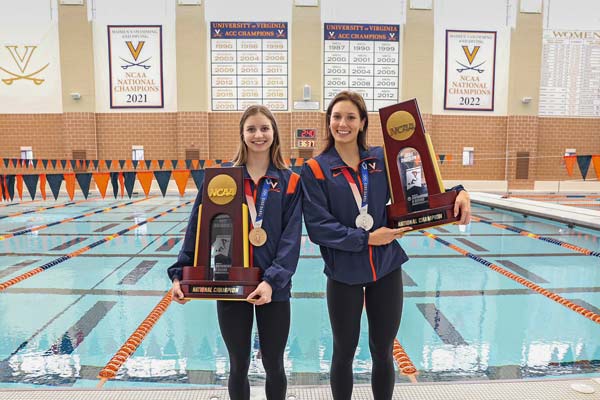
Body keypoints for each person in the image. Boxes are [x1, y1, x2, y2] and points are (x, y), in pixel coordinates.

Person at [300, 91, 471, 400]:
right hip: (343, 273)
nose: (343, 123)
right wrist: (366, 238)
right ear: (328, 122)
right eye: (337, 117)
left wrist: (459, 192)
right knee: (344, 351)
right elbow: (317, 227)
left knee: (382, 349)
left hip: (386, 267)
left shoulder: (380, 160)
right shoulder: (315, 169)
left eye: (351, 117)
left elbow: (419, 185)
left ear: (363, 122)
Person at [168, 105, 303, 400]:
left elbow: (291, 239)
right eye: (251, 129)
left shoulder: (290, 181)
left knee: (274, 364)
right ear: (242, 134)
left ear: (274, 133)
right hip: (228, 281)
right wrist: (180, 275)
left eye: (264, 128)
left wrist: (272, 281)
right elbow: (197, 229)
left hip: (273, 288)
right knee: (238, 364)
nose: (258, 135)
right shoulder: (222, 178)